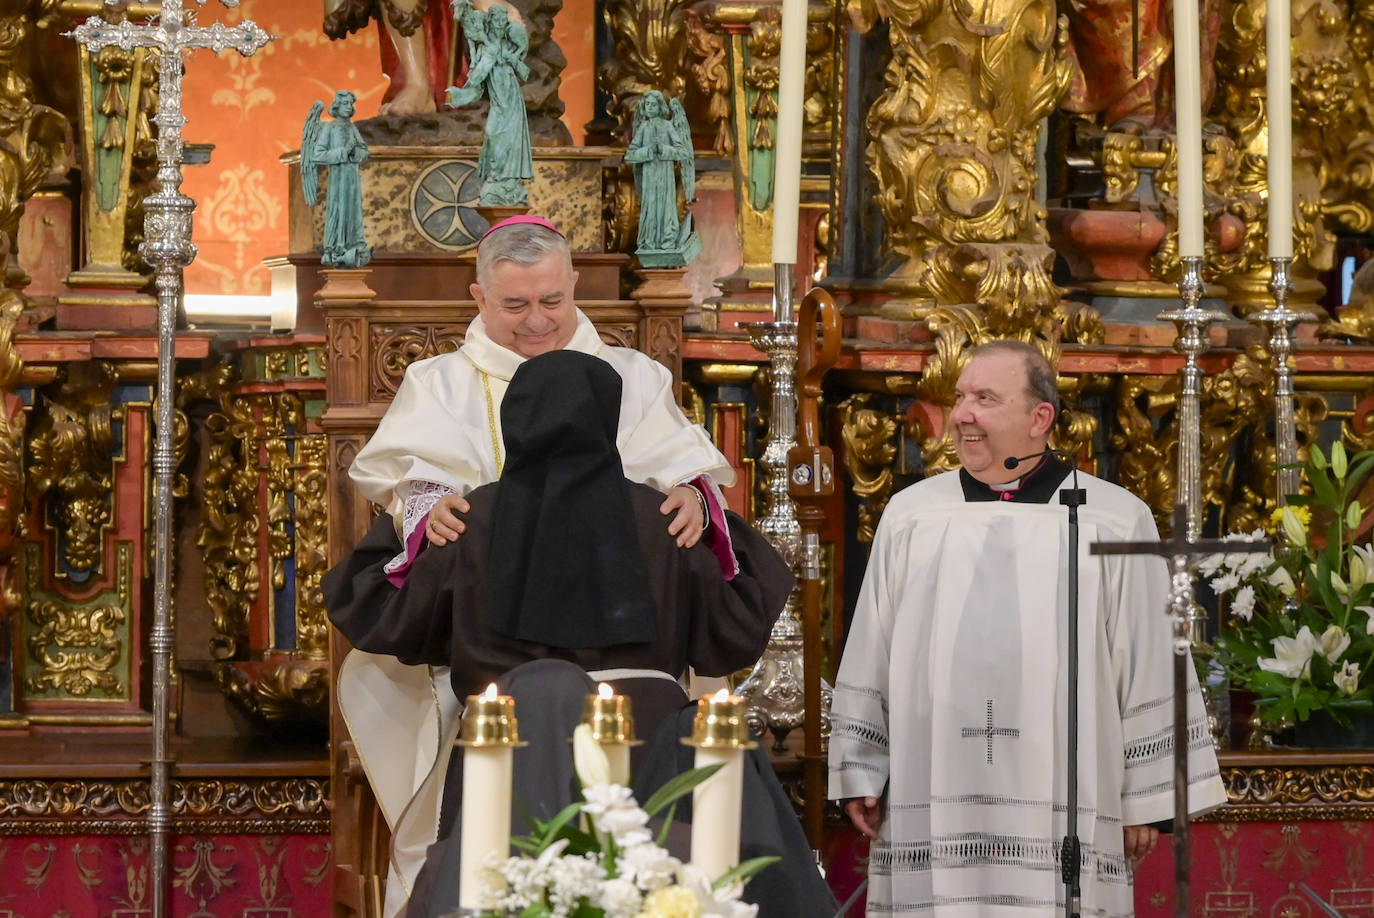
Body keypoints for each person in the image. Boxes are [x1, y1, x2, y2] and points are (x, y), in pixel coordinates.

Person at [338, 215, 738, 917]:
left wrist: (693, 495)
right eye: (515, 304)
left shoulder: (632, 376)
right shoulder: (439, 383)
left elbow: (687, 467)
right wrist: (426, 504)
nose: (537, 322)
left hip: (626, 644)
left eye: (552, 300)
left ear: (575, 285)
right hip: (492, 649)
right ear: (478, 296)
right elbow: (403, 477)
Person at [326, 351, 822, 917]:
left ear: (514, 421)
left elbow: (382, 614)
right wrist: (707, 512)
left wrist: (412, 518)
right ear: (609, 417)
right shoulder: (669, 517)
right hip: (649, 752)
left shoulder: (465, 520)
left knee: (504, 898)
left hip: (508, 748)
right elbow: (732, 633)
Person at [827, 339, 1226, 917]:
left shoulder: (1111, 517)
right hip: (931, 788)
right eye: (960, 397)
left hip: (1069, 799)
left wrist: (1147, 797)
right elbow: (873, 644)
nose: (962, 414)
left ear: (1040, 418)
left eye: (985, 399)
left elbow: (1147, 657)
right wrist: (861, 764)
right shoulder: (913, 515)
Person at [445, 0, 534, 205]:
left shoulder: (502, 51)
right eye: (496, 21)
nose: (499, 25)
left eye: (503, 21)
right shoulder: (487, 51)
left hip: (510, 102)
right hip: (499, 103)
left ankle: (506, 181)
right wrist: (459, 96)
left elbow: (522, 73)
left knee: (505, 137)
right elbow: (478, 83)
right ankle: (498, 179)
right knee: (493, 134)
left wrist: (513, 60)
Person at [301, 91, 373, 269]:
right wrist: (343, 152)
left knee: (353, 209)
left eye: (350, 104)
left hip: (352, 177)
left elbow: (364, 151)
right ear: (336, 107)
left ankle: (354, 244)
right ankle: (336, 247)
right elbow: (317, 155)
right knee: (338, 208)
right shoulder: (329, 128)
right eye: (345, 103)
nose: (349, 107)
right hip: (338, 178)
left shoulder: (352, 128)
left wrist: (355, 152)